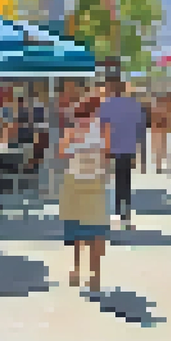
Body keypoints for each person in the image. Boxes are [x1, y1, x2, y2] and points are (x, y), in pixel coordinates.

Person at [60, 96, 110, 293]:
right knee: (77, 230)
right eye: (79, 115)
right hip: (75, 181)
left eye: (86, 115)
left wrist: (86, 145)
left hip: (93, 182)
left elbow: (107, 152)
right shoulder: (72, 131)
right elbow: (62, 151)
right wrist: (78, 144)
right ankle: (78, 268)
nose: (83, 119)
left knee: (96, 232)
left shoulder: (102, 130)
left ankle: (94, 274)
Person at [98, 79, 145, 229]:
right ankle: (125, 213)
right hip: (128, 148)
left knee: (112, 181)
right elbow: (140, 130)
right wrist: (139, 152)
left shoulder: (106, 106)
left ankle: (116, 211)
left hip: (110, 148)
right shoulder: (134, 105)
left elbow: (101, 128)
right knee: (125, 181)